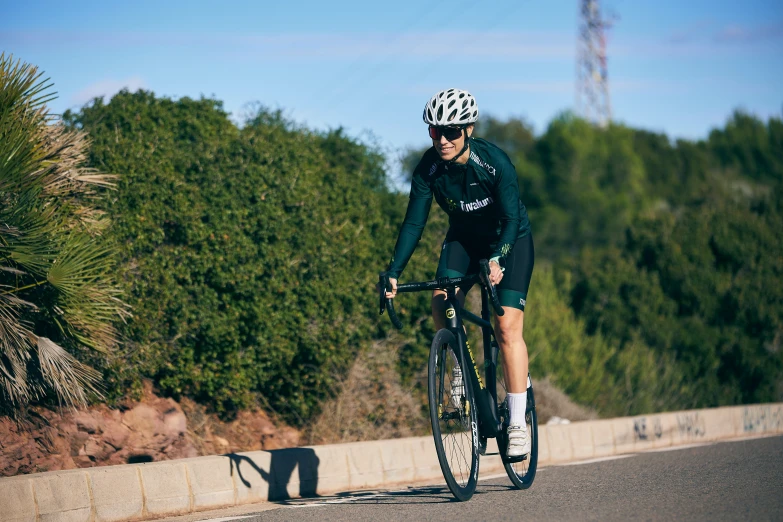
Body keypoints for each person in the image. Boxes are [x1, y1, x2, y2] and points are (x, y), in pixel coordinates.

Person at [384, 88, 534, 458]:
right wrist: (393, 271)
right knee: (441, 303)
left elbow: (512, 219)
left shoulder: (494, 162)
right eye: (435, 132)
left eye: (450, 131)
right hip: (464, 241)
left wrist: (499, 257)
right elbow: (414, 224)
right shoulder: (429, 169)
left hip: (509, 240)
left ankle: (517, 422)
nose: (443, 140)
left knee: (506, 328)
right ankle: (459, 374)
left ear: (469, 128)